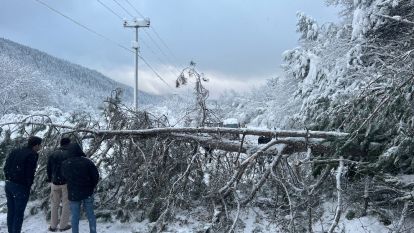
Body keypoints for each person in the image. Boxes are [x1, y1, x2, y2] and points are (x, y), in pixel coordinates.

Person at [3, 136, 42, 233]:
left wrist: (9, 177)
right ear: (36, 145)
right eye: (40, 145)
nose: (40, 147)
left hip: (9, 184)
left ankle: (10, 231)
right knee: (18, 213)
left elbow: (6, 166)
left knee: (11, 211)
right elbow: (29, 172)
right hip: (20, 186)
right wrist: (28, 184)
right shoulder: (32, 154)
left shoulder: (16, 151)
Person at [62, 143, 99, 233]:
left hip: (73, 193)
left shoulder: (65, 163)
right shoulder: (87, 162)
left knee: (75, 216)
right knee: (90, 215)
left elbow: (64, 177)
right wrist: (91, 186)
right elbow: (95, 176)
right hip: (87, 192)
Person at [46, 137, 72, 232]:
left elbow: (48, 168)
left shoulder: (53, 154)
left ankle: (53, 226)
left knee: (54, 204)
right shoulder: (70, 154)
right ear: (68, 144)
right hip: (66, 182)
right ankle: (63, 225)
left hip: (55, 182)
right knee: (66, 204)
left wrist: (50, 179)